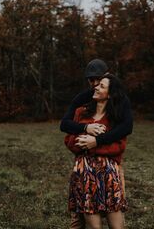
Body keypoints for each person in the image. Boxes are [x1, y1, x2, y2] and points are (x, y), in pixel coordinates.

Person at [60, 59, 132, 229]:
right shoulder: (83, 103)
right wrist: (86, 128)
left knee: (115, 214)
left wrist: (96, 142)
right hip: (84, 173)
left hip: (110, 170)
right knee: (78, 220)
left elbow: (125, 131)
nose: (94, 84)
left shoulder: (119, 104)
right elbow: (65, 128)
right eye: (91, 80)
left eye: (98, 80)